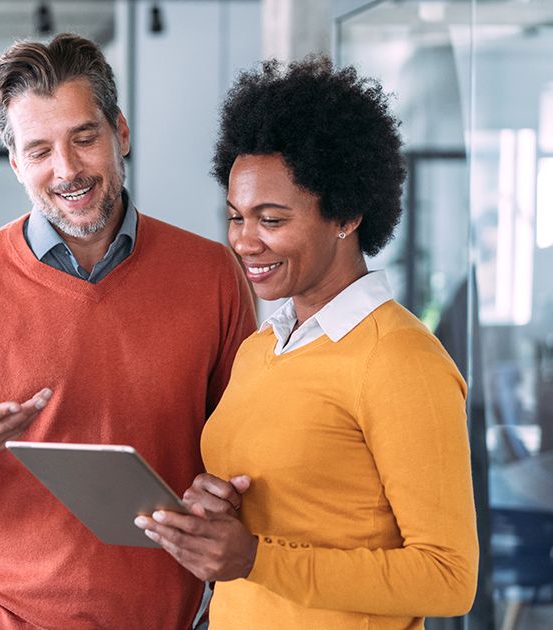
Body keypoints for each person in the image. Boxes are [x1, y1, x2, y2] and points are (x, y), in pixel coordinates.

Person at [0, 33, 256, 629]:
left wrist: (226, 493)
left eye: (84, 138)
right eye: (39, 150)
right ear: (17, 164)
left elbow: (245, 444)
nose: (66, 169)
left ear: (120, 132)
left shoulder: (212, 274)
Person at [135, 56, 479, 628]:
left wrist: (255, 559)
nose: (245, 242)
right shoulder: (260, 349)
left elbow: (448, 578)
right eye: (236, 217)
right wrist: (217, 511)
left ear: (345, 214)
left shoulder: (400, 360)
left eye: (271, 219)